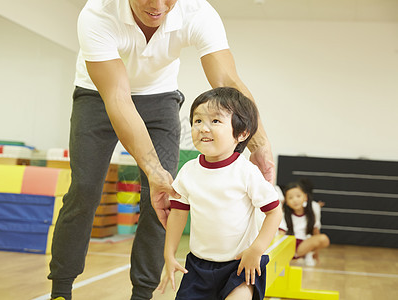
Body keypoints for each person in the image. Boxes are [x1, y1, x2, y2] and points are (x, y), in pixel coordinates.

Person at [48, 1, 276, 299]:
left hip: (161, 97)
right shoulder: (98, 13)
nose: (157, 6)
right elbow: (118, 98)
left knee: (164, 197)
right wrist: (153, 170)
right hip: (97, 95)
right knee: (85, 190)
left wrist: (259, 143)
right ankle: (61, 289)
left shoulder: (197, 12)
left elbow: (226, 82)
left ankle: (142, 293)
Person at [158, 87, 282, 300]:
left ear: (242, 133)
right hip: (198, 267)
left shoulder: (246, 172)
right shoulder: (188, 171)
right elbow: (178, 214)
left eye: (215, 121)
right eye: (198, 121)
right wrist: (169, 254)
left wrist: (256, 250)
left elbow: (274, 213)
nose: (203, 128)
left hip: (241, 264)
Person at [278, 179, 330, 266]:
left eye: (298, 196)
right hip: (290, 244)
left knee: (323, 239)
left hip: (304, 244)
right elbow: (281, 234)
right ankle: (296, 255)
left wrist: (316, 255)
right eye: (290, 198)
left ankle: (308, 254)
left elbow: (315, 233)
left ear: (305, 197)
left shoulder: (312, 210)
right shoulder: (284, 215)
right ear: (286, 201)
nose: (295, 200)